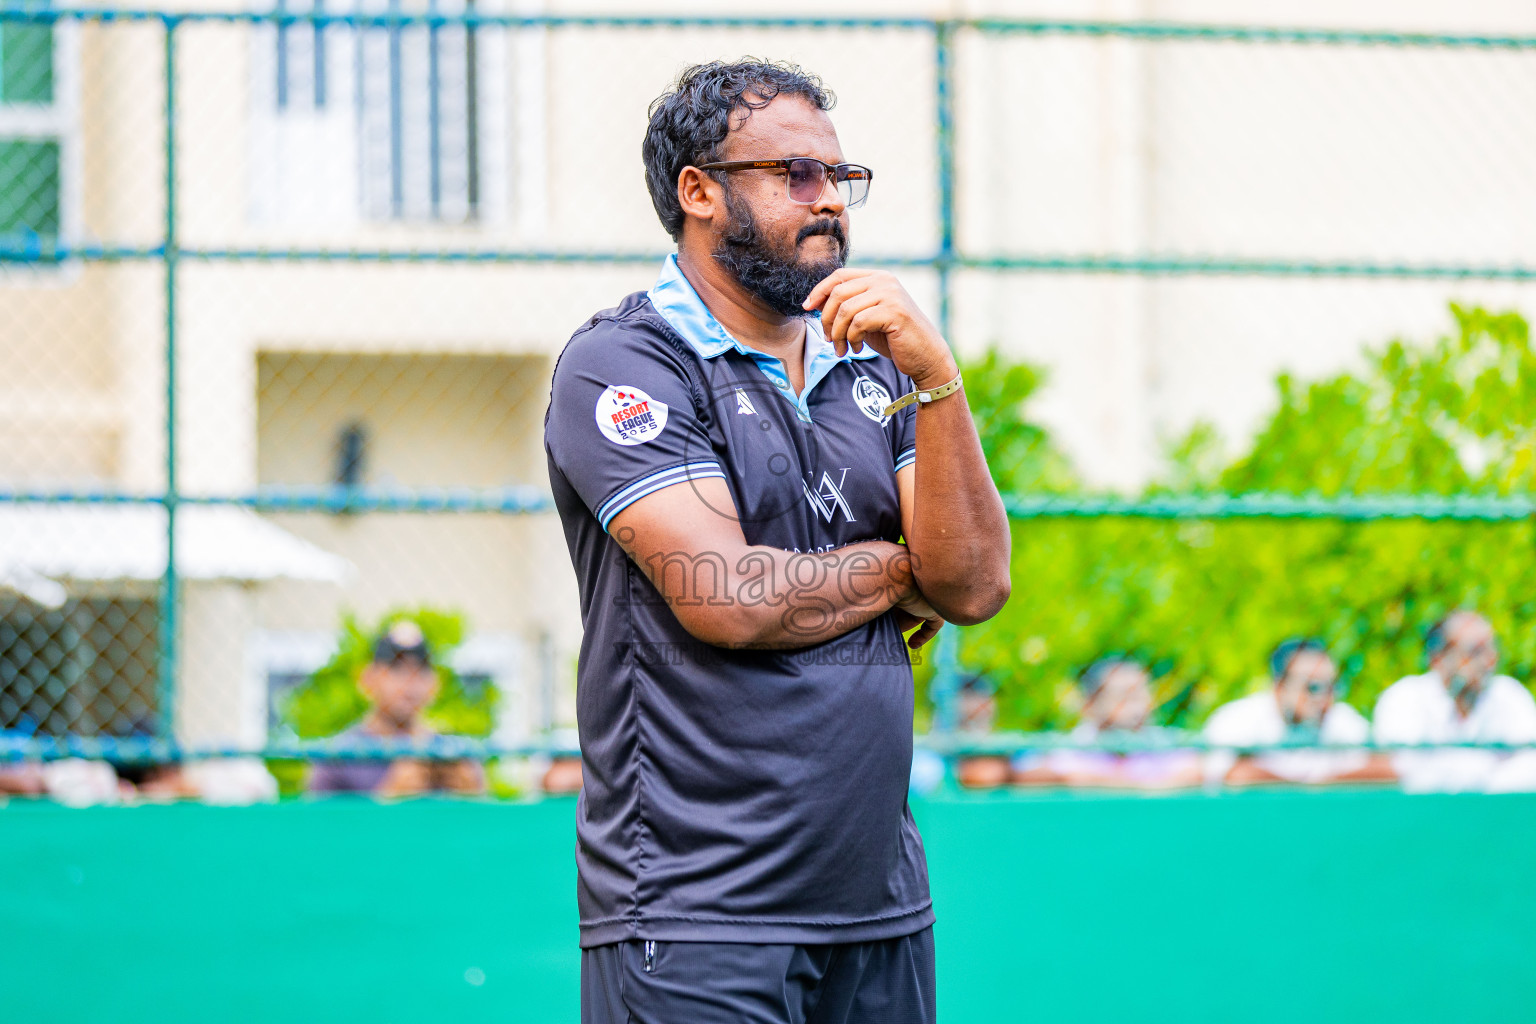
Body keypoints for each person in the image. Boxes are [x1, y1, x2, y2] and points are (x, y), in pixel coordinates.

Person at [544, 60, 1011, 1024]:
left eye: (840, 178)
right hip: (697, 915)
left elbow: (972, 584)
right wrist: (899, 571)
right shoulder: (623, 363)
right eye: (796, 174)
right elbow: (729, 594)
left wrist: (938, 377)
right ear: (700, 190)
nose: (829, 201)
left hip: (879, 912)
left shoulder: (875, 365)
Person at [308, 621, 484, 797]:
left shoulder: (454, 753)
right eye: (396, 668)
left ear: (434, 683)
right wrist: (390, 797)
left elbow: (483, 822)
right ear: (368, 679)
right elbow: (321, 824)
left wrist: (470, 799)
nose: (410, 681)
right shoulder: (337, 757)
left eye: (421, 669)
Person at [1373, 611, 1536, 793]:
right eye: (1475, 651)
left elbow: (1531, 763)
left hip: (1497, 817)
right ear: (1438, 658)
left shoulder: (1509, 695)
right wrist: (1488, 775)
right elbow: (1407, 772)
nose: (1490, 661)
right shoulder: (1405, 699)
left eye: (1492, 649)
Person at [1204, 638, 1393, 787]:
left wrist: (1322, 785)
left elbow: (1384, 769)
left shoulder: (1341, 718)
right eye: (1313, 687)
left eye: (1332, 686)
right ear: (1280, 688)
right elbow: (1235, 776)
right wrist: (1309, 790)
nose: (1323, 697)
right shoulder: (1239, 719)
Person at [1011, 658, 1201, 790]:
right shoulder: (1069, 746)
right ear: (1090, 704)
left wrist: (1092, 781)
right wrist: (1148, 786)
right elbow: (1029, 775)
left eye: (1141, 693)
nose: (1138, 706)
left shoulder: (1164, 741)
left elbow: (1194, 772)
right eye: (1124, 696)